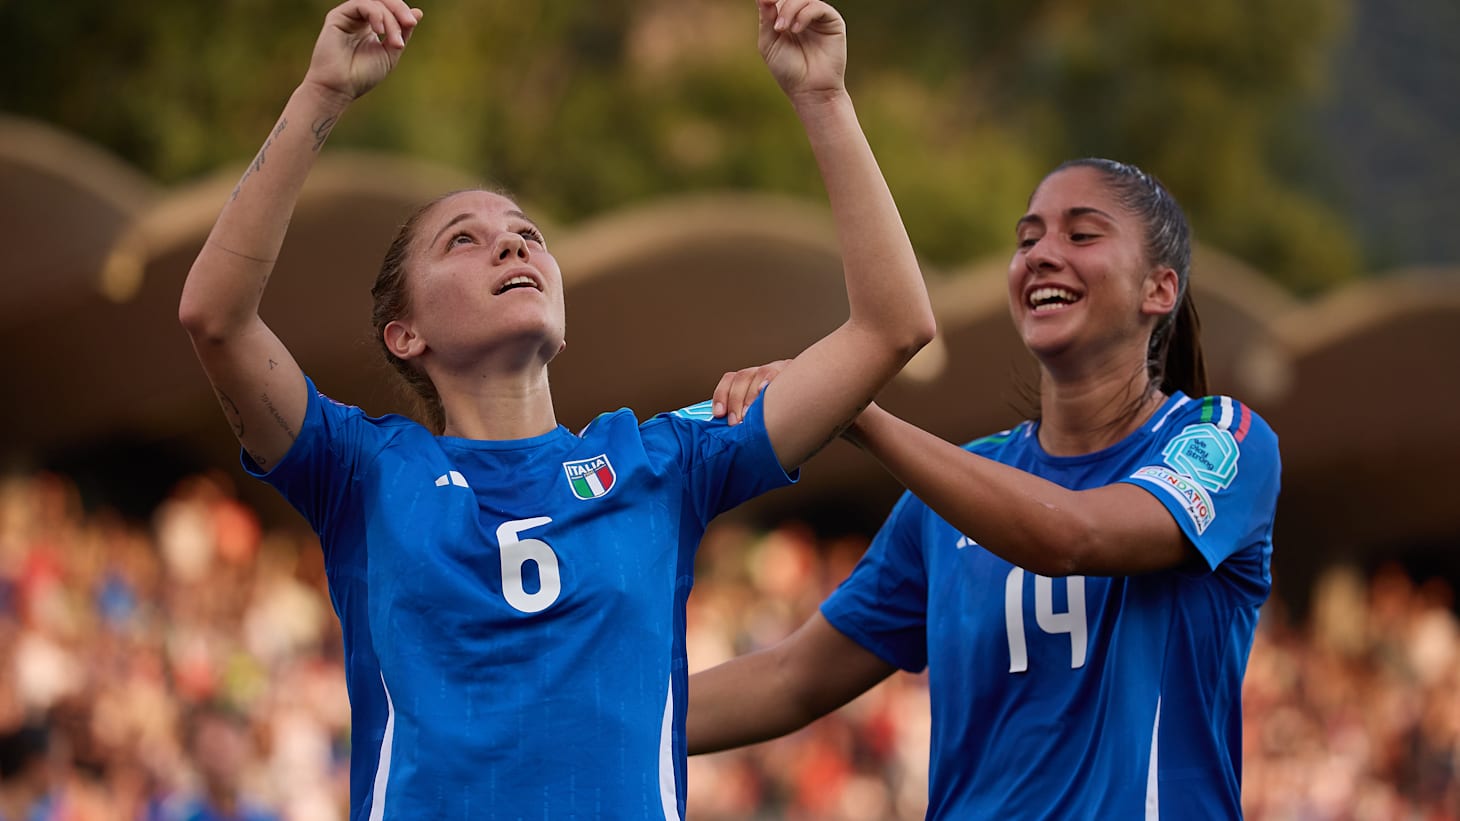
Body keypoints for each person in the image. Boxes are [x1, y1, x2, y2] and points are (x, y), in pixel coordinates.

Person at [176, 0, 935, 818]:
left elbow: (892, 327)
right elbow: (216, 318)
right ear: (405, 334)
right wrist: (322, 93)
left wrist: (824, 97)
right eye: (462, 239)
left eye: (528, 234)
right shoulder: (359, 471)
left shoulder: (662, 461)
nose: (513, 244)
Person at [689, 158, 1281, 818]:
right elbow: (791, 677)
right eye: (1028, 239)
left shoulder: (1221, 438)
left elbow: (1071, 536)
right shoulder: (949, 496)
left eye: (1082, 235)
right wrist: (612, 720)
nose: (1041, 254)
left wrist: (857, 413)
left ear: (1160, 289)